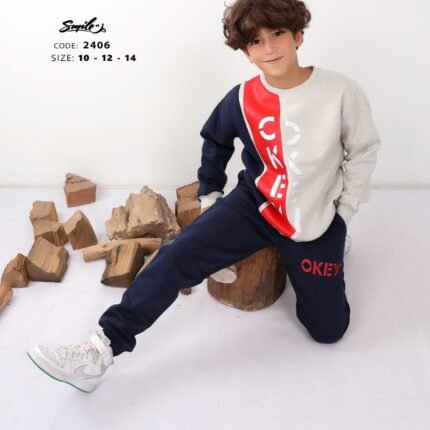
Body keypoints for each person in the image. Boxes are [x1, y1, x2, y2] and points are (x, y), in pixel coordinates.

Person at [27, 0, 381, 393]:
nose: (269, 48)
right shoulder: (241, 98)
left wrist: (343, 214)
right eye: (256, 41)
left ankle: (328, 252)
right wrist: (211, 195)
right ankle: (100, 349)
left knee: (328, 331)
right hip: (256, 205)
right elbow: (215, 140)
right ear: (246, 53)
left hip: (316, 216)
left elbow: (363, 151)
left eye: (278, 34)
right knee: (177, 254)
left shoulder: (340, 91)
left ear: (298, 36)